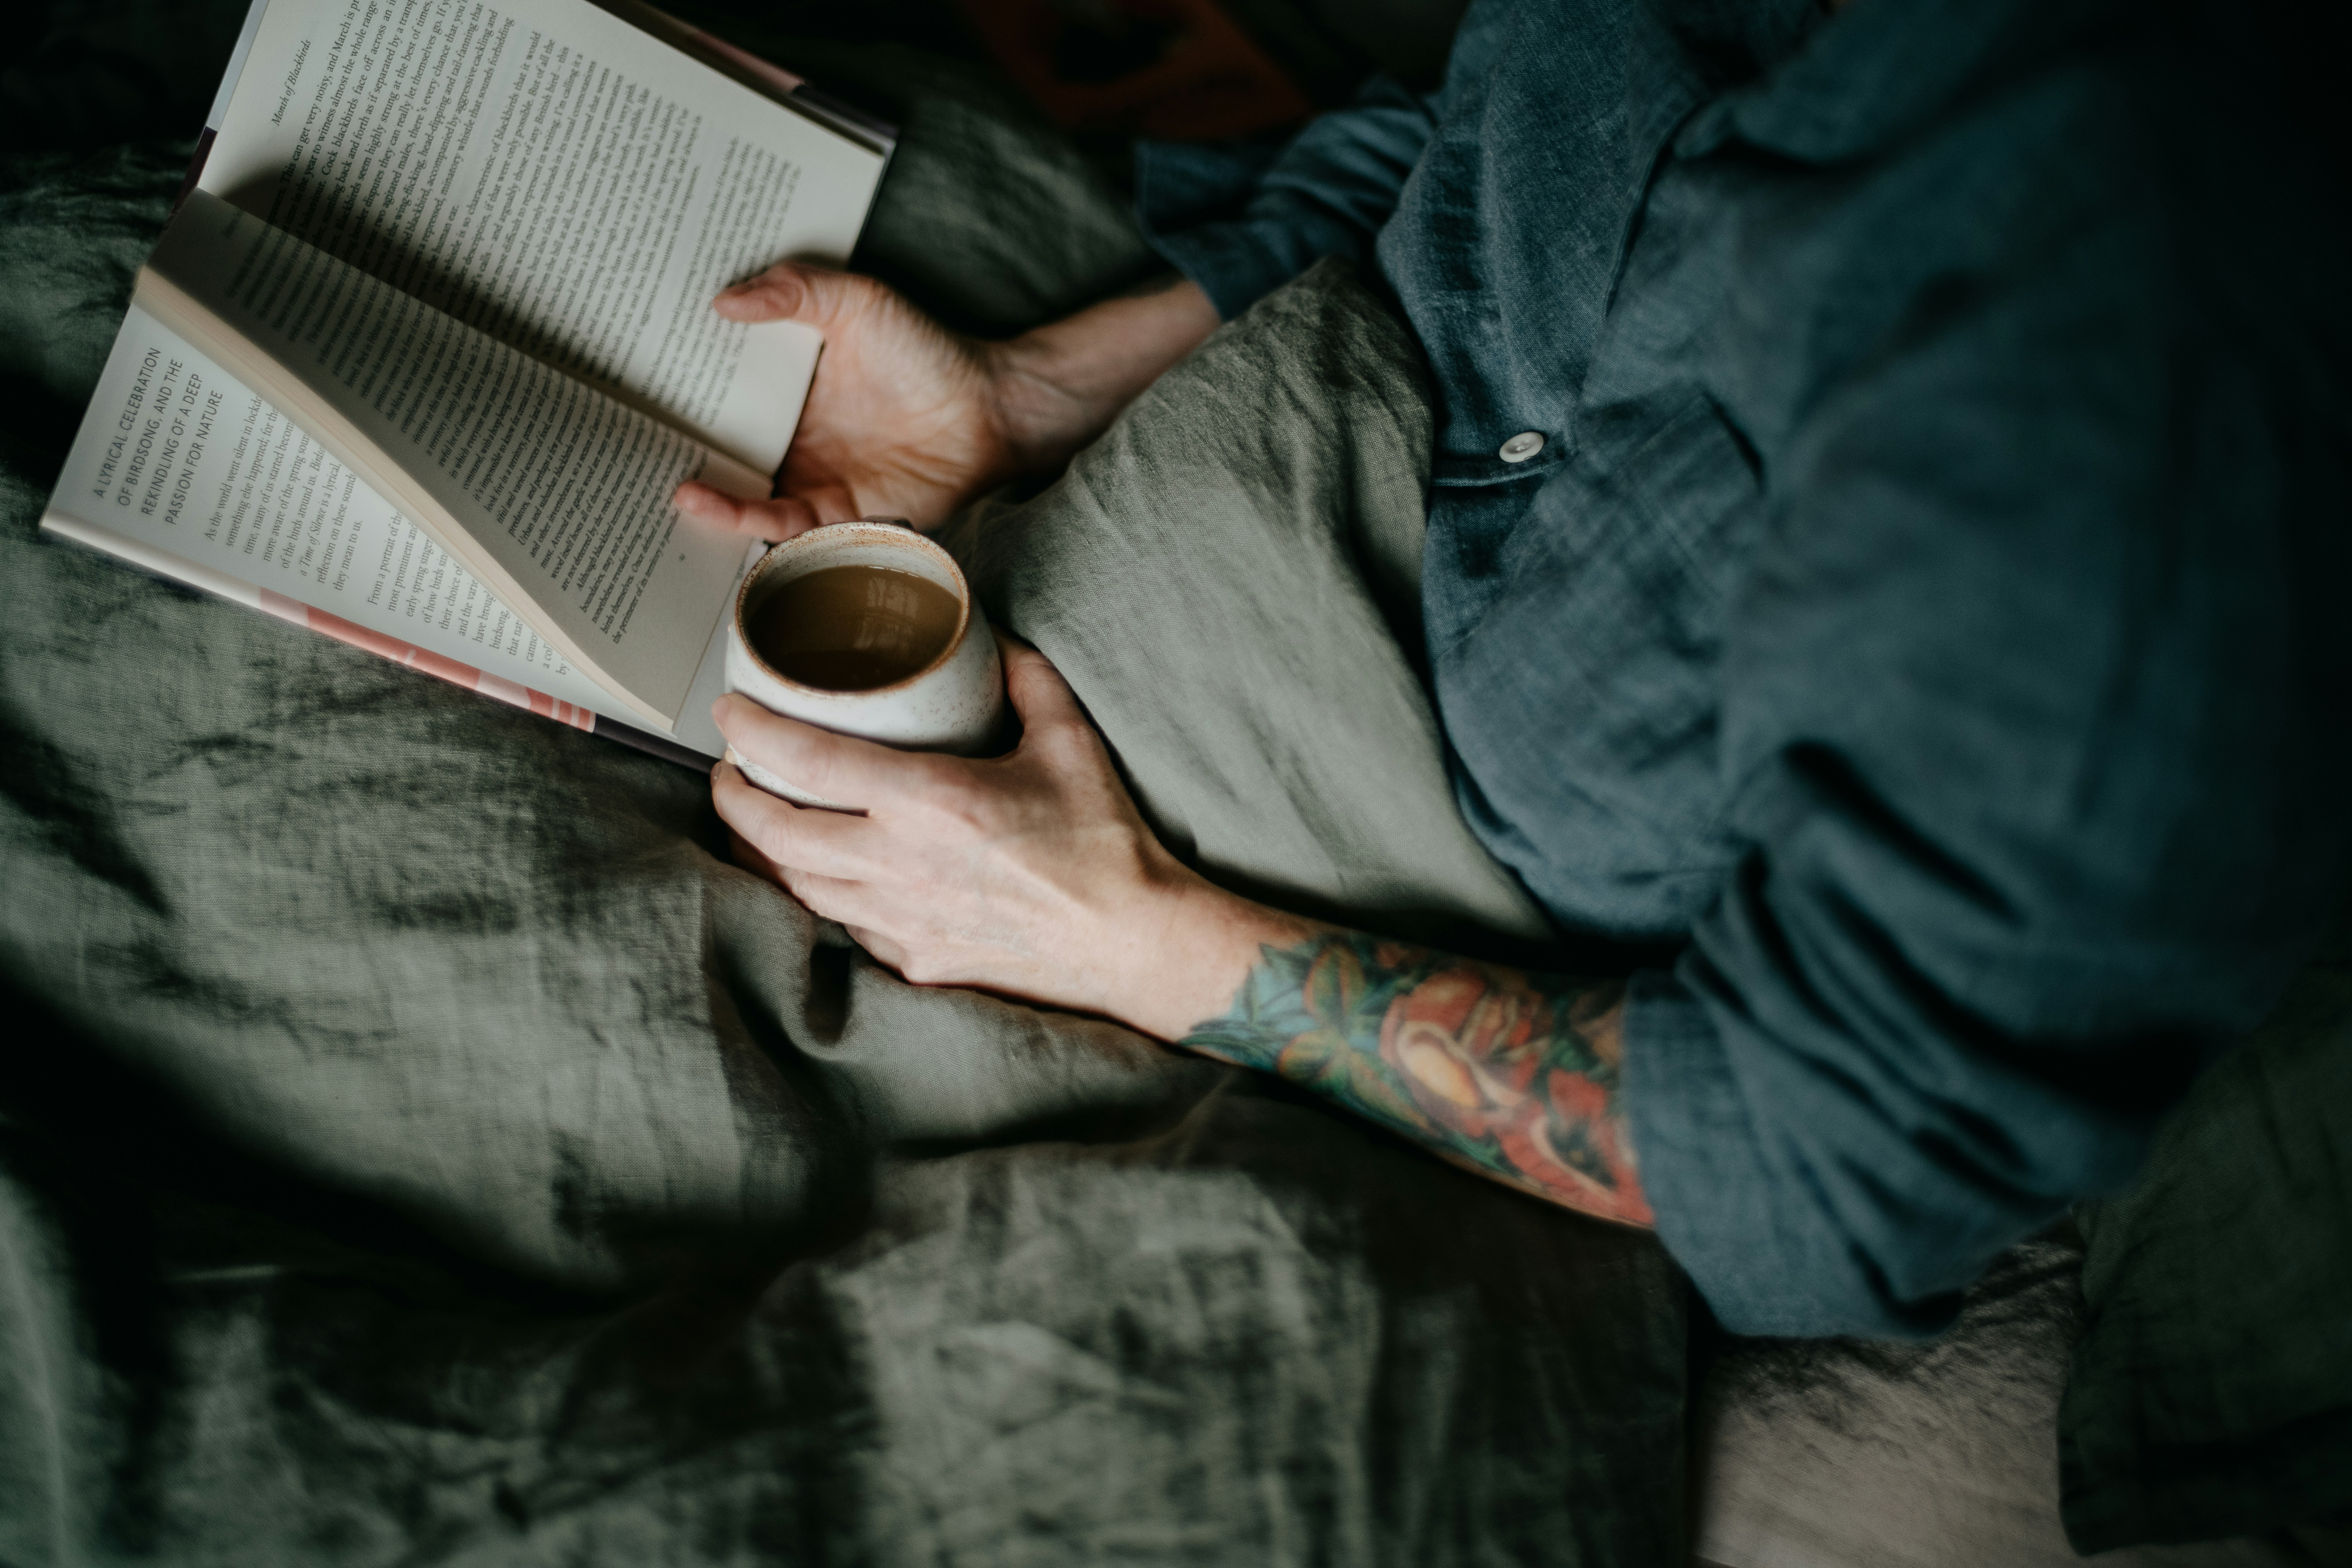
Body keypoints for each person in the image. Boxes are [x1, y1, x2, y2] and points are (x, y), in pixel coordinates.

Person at [672, 0, 2350, 1335]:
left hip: (1346, 854)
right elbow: (1518, 132)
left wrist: (1118, 931)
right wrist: (1041, 391)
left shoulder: (2149, 390)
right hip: (1280, 338)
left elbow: (1814, 1167)